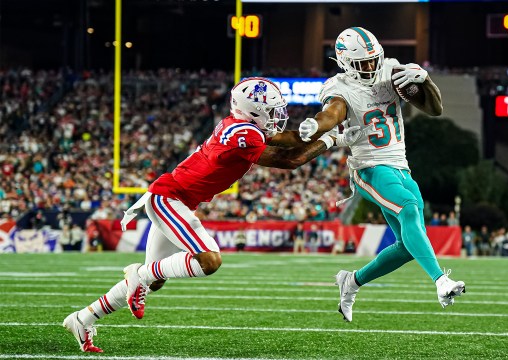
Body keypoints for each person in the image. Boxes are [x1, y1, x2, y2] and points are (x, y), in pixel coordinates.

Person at [62, 77, 365, 353]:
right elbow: (291, 159)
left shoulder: (240, 127)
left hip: (176, 199)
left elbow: (285, 140)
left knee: (155, 281)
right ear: (252, 111)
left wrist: (324, 134)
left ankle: (83, 318)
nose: (276, 116)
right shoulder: (245, 135)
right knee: (208, 260)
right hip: (169, 199)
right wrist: (330, 140)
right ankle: (136, 273)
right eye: (270, 111)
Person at [298, 27, 465, 322]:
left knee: (407, 247)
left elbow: (435, 108)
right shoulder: (339, 86)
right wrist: (317, 124)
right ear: (345, 62)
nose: (372, 67)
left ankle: (352, 281)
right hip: (370, 168)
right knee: (409, 209)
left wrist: (424, 81)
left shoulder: (390, 70)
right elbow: (333, 113)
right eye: (363, 63)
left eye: (374, 60)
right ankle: (441, 281)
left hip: (401, 165)